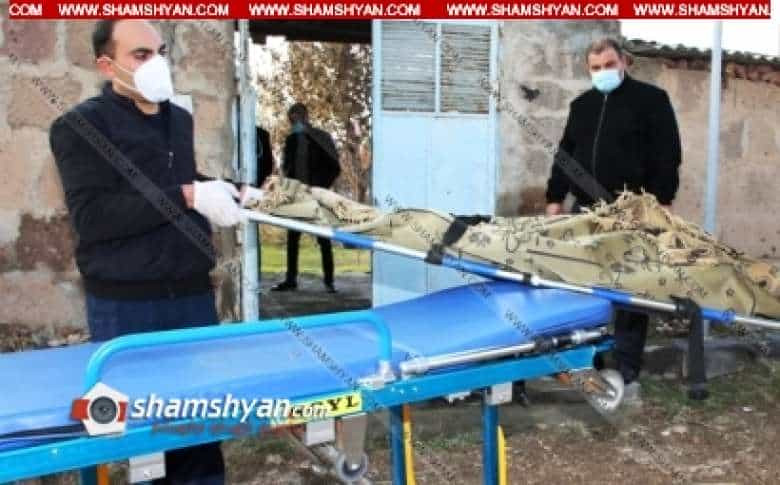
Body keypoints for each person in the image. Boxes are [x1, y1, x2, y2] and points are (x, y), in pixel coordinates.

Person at [50, 20, 255, 484]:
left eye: (160, 52)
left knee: (200, 428)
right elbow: (94, 218)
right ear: (107, 65)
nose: (157, 63)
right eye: (140, 55)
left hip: (191, 298)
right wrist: (187, 195)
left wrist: (230, 189)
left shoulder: (178, 119)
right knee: (144, 437)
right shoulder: (78, 127)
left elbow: (171, 182)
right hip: (127, 306)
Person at [545, 38, 682, 392]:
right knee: (580, 283)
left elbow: (668, 154)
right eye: (596, 68)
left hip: (632, 209)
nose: (603, 72)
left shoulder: (651, 100)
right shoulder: (582, 106)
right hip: (586, 211)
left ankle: (626, 365)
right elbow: (565, 154)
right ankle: (587, 356)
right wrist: (554, 200)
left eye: (609, 65)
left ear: (624, 62)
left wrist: (662, 203)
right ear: (588, 70)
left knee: (630, 290)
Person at [272, 103, 341, 293]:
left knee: (324, 239)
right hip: (297, 196)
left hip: (317, 195)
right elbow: (286, 167)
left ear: (305, 117)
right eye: (291, 119)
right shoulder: (291, 140)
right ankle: (291, 280)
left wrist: (320, 187)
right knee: (292, 238)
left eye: (296, 118)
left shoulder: (321, 138)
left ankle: (329, 281)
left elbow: (335, 166)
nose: (293, 122)